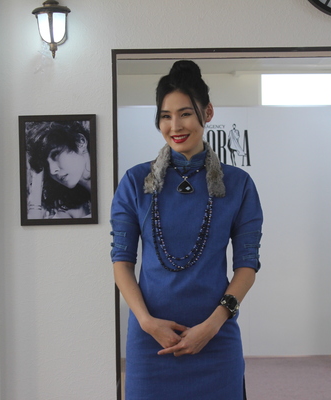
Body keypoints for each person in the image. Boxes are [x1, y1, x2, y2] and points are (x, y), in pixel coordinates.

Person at [111, 60, 263, 399]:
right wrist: (147, 322)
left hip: (215, 338)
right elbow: (121, 262)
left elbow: (247, 266)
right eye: (166, 116)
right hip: (150, 342)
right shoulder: (135, 182)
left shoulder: (238, 184)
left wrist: (212, 326)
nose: (175, 126)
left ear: (207, 112)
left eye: (185, 114)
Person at [25, 120, 92, 219]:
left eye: (55, 154)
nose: (52, 171)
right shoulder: (76, 207)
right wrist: (37, 184)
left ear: (80, 142)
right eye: (46, 165)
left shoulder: (114, 183)